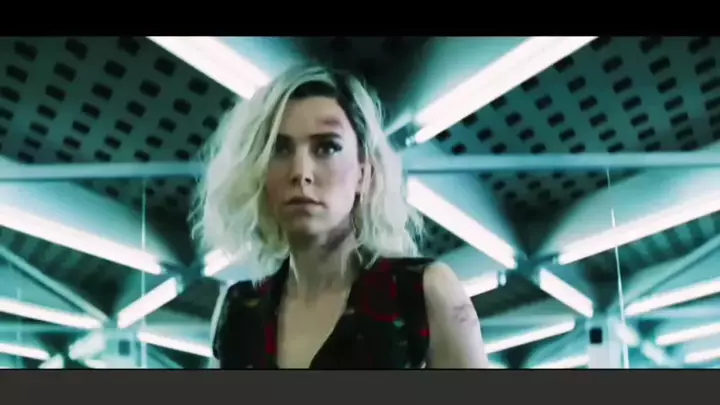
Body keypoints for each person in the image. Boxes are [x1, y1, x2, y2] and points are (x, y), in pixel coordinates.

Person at [193, 64, 490, 369]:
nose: (301, 172)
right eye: (279, 149)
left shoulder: (422, 293)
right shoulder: (239, 312)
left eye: (327, 147)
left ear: (364, 172)